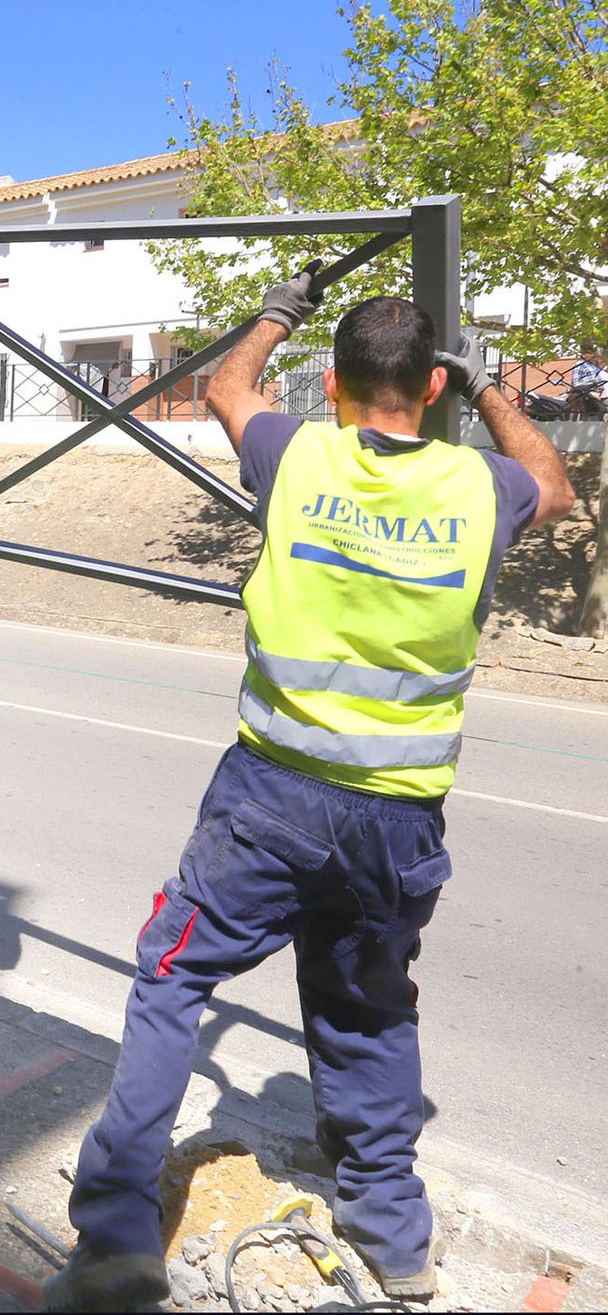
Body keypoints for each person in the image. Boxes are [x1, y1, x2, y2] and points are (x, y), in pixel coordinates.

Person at [44, 272, 574, 1312]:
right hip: (398, 818)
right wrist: (493, 389)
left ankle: (113, 1236)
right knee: (368, 1015)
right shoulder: (479, 488)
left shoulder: (296, 454)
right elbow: (552, 482)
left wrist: (278, 308)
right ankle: (395, 1241)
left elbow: (226, 387)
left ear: (330, 383)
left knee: (171, 975)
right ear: (429, 387)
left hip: (270, 795)